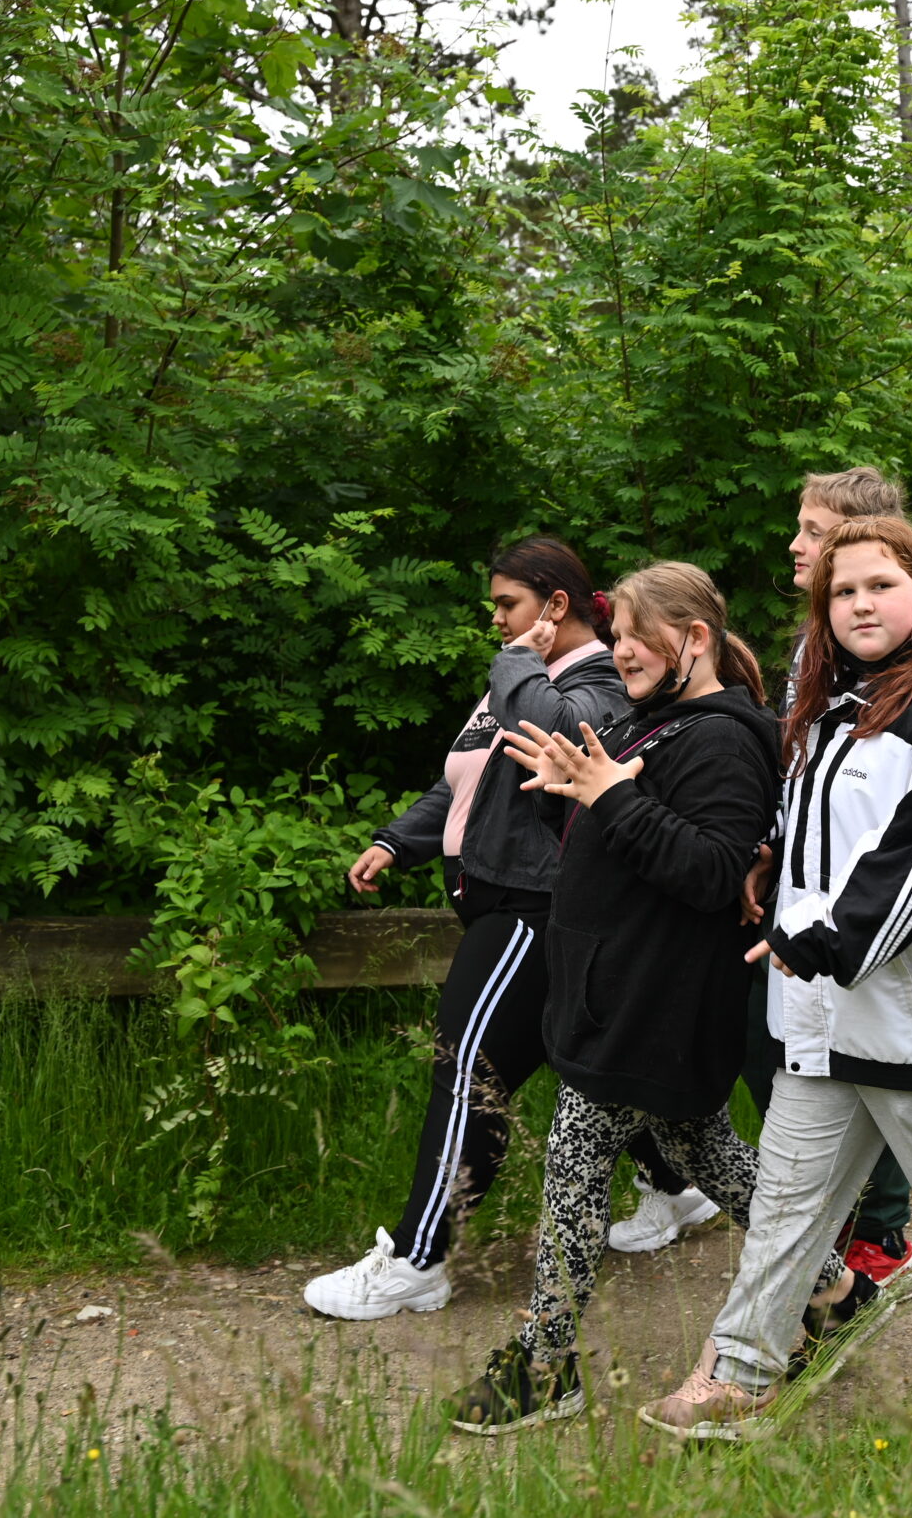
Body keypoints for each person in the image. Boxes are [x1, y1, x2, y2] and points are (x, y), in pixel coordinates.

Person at [641, 516, 912, 1439]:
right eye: (841, 591)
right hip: (826, 1014)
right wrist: (769, 858)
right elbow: (830, 831)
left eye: (879, 584)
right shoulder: (833, 708)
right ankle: (743, 1371)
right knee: (790, 1198)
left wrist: (828, 938)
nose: (860, 603)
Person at [447, 562, 803, 1432]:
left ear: (695, 639)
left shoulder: (721, 737)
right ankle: (830, 1278)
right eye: (616, 636)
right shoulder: (661, 727)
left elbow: (715, 869)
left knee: (575, 1157)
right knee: (704, 1147)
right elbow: (618, 843)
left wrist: (610, 793)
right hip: (622, 993)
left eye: (639, 634)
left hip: (661, 1002)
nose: (621, 651)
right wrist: (568, 797)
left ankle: (546, 1360)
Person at [303, 537, 646, 1320]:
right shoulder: (521, 678)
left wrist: (516, 666)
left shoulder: (595, 681)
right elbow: (463, 779)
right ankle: (679, 1184)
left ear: (555, 606)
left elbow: (554, 739)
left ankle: (419, 1259)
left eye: (507, 605)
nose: (495, 620)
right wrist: (397, 839)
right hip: (495, 900)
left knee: (469, 1074)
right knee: (587, 1062)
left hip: (533, 906)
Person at [611, 467, 912, 1311]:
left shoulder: (905, 671)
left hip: (863, 904)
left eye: (813, 530)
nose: (795, 544)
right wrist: (768, 847)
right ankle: (832, 1234)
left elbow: (879, 798)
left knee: (875, 1059)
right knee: (780, 1045)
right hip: (791, 887)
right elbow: (803, 772)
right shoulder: (810, 644)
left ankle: (881, 1236)